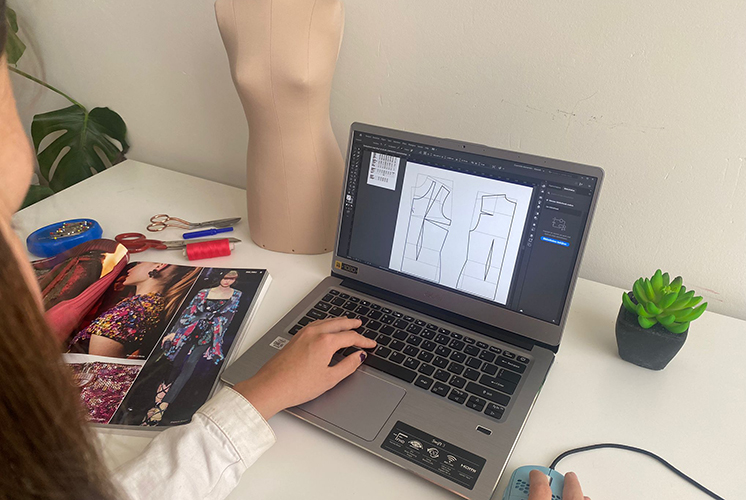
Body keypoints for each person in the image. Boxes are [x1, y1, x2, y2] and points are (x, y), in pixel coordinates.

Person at [0, 5, 588, 499]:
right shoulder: (229, 7)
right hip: (264, 194)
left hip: (312, 196)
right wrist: (262, 395)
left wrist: (260, 396)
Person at [143, 270, 243, 425]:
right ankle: (157, 400)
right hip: (190, 329)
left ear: (235, 280)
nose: (227, 281)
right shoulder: (204, 292)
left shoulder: (236, 294)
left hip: (210, 333)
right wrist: (174, 332)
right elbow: (188, 312)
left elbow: (228, 318)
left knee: (190, 365)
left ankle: (163, 406)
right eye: (225, 277)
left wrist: (217, 340)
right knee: (175, 363)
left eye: (231, 279)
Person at [68, 262, 201, 358]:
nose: (131, 269)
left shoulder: (131, 311)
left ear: (160, 266)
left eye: (138, 263)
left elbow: (99, 366)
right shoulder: (154, 307)